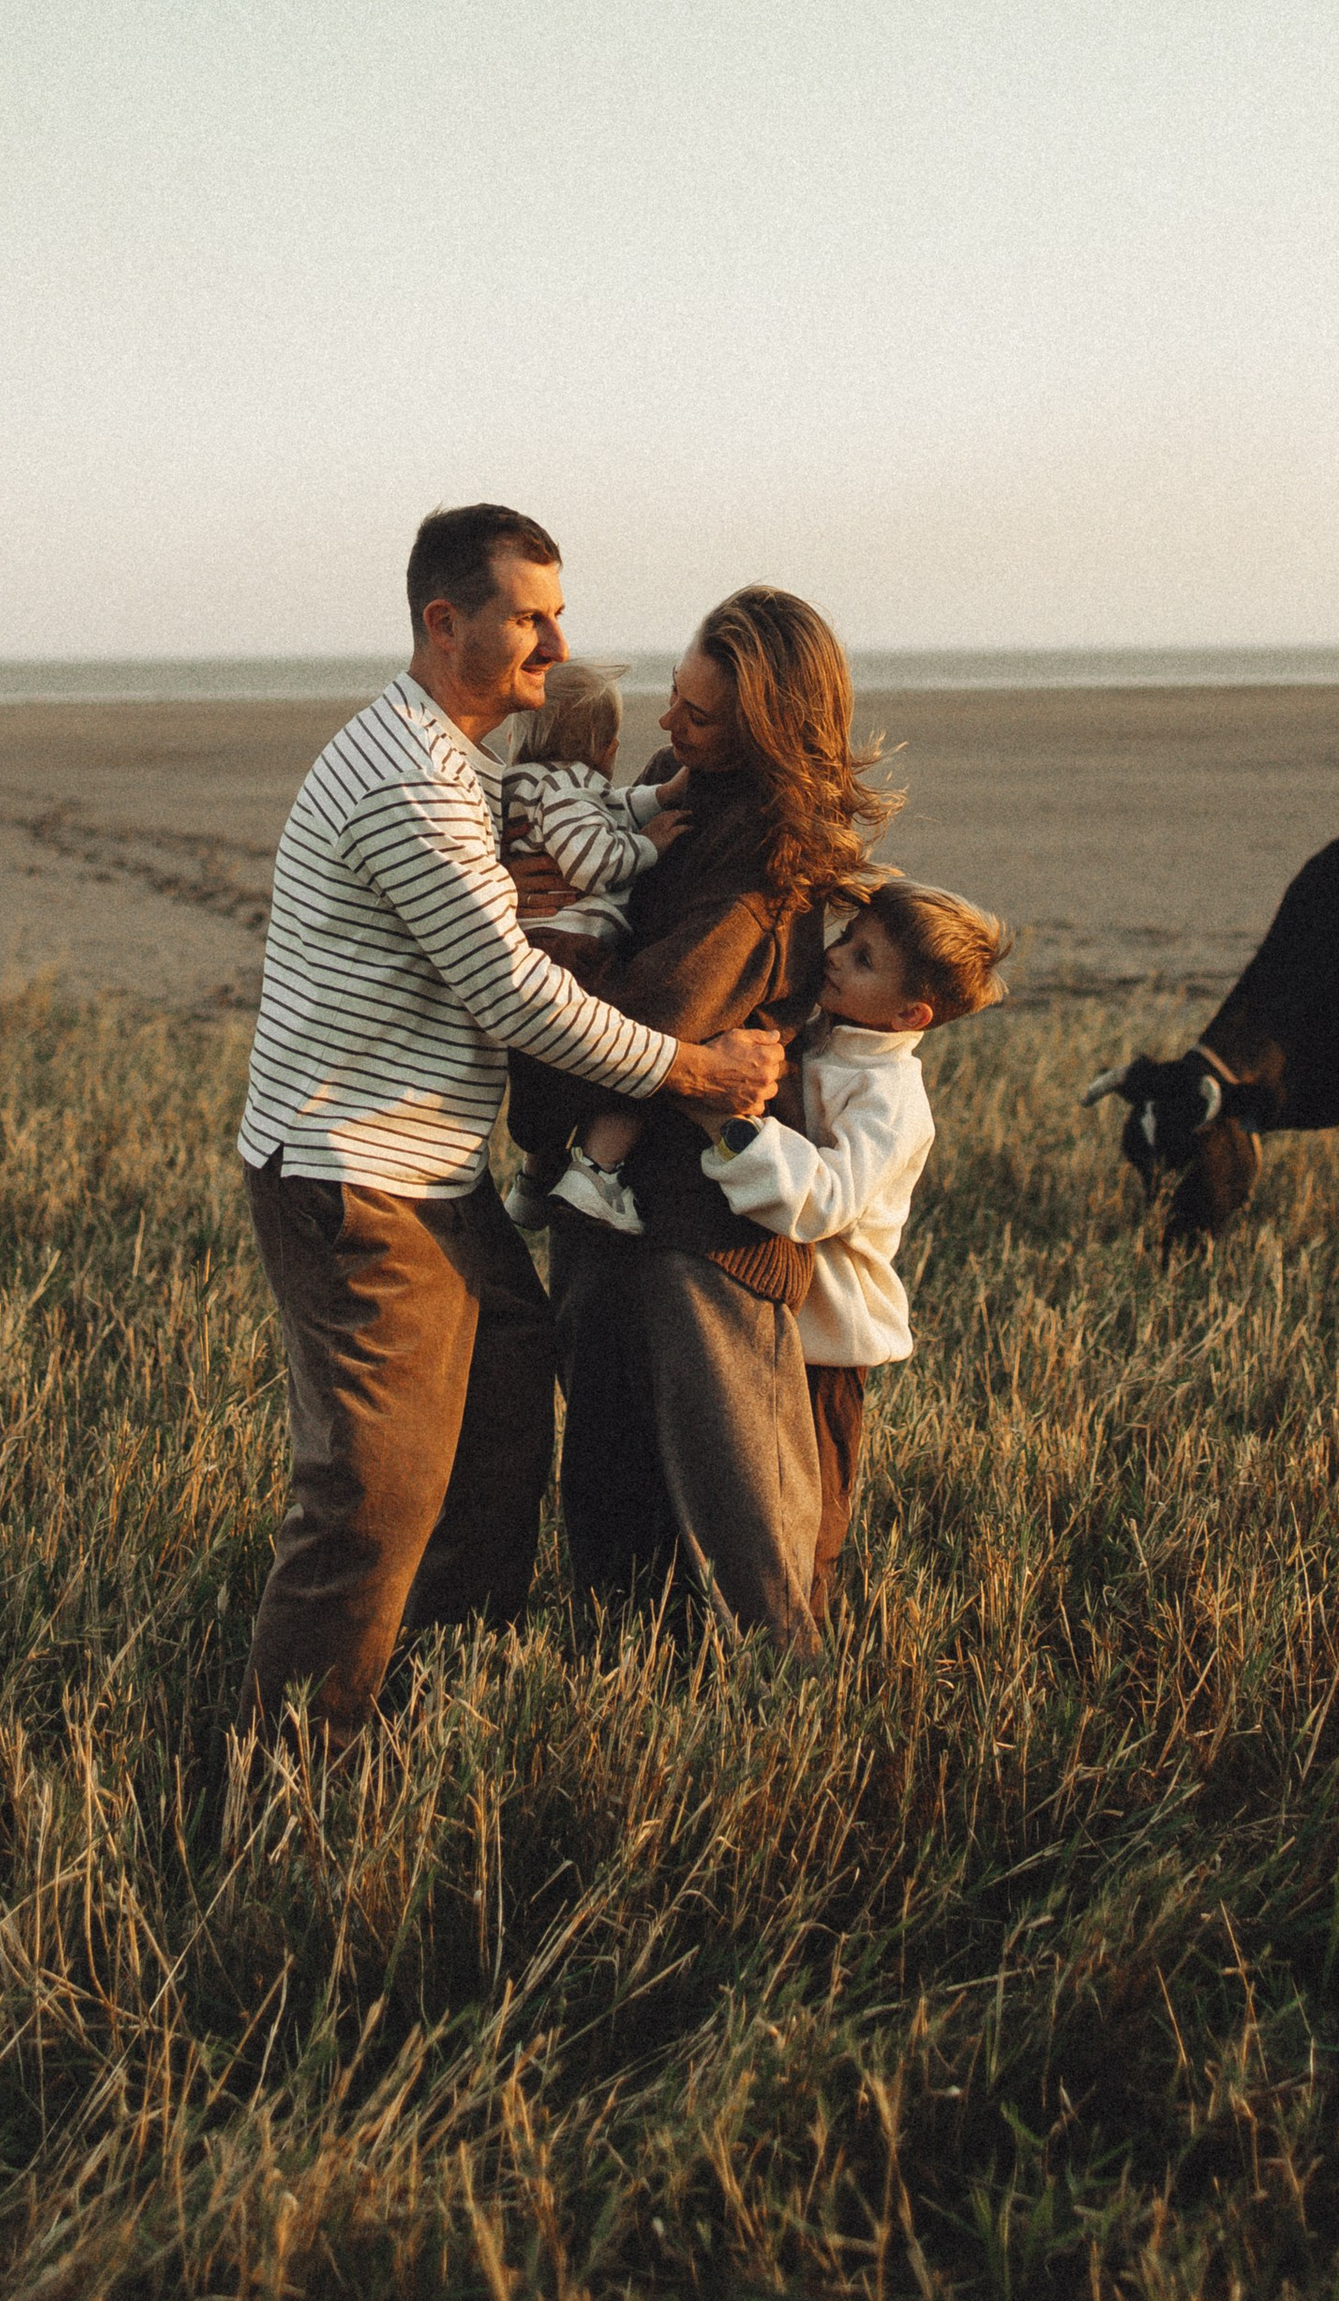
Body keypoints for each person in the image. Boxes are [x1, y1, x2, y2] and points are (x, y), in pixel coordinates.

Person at [234, 504, 781, 1736]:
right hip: (354, 1172)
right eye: (529, 615)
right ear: (446, 623)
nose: (556, 640)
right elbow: (513, 992)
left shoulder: (464, 770)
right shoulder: (411, 784)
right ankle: (289, 1772)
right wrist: (695, 1070)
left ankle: (428, 1705)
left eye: (557, 611)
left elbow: (526, 903)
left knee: (497, 1429)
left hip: (430, 1169)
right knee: (371, 1493)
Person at [514, 586, 897, 1656]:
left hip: (702, 1226)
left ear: (771, 729)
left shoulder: (767, 853)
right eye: (675, 702)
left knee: (746, 1535)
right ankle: (623, 1717)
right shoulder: (673, 785)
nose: (669, 730)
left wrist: (561, 979)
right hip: (604, 1201)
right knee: (609, 1511)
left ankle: (786, 1738)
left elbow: (658, 1013)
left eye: (702, 717)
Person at [698, 879, 1012, 1622]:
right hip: (770, 1319)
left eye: (864, 958)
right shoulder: (819, 1034)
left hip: (828, 1341)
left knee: (813, 1501)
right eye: (846, 938)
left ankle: (802, 1633)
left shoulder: (891, 1095)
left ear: (912, 1015)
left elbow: (828, 1201)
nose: (835, 956)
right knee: (748, 1485)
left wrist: (729, 1128)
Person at [499, 659, 686, 960]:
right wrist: (647, 845)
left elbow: (609, 810)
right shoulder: (565, 788)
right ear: (607, 749)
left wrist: (662, 795)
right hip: (568, 944)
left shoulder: (534, 788)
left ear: (513, 739)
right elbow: (590, 862)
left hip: (541, 941)